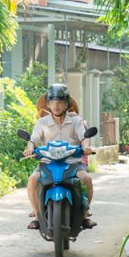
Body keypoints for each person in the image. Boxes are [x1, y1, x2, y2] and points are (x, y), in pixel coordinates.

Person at [23, 84, 96, 230]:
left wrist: (86, 147)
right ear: (48, 104)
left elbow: (84, 138)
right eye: (53, 102)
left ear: (67, 104)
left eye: (60, 102)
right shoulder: (41, 122)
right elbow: (33, 140)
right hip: (47, 162)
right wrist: (29, 149)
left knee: (86, 179)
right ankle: (37, 215)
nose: (56, 105)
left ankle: (85, 213)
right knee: (32, 180)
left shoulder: (76, 121)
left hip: (72, 162)